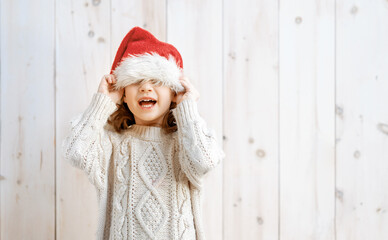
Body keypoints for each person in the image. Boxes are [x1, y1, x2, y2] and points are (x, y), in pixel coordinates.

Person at [61, 26, 225, 240]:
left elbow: (206, 159)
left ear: (175, 93)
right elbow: (75, 151)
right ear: (123, 95)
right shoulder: (111, 143)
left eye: (157, 81)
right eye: (136, 81)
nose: (146, 88)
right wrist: (102, 103)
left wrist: (188, 110)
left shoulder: (185, 143)